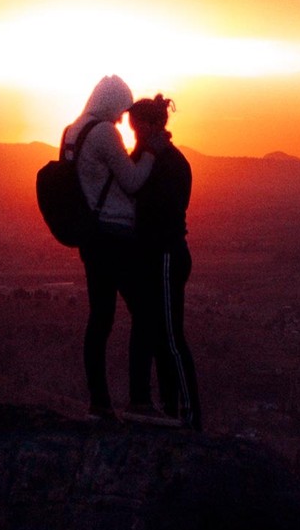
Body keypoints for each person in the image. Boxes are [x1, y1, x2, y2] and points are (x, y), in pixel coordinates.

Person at [59, 74, 156, 418]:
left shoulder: (72, 131)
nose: (121, 119)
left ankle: (99, 402)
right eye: (121, 110)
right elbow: (131, 182)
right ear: (112, 103)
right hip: (115, 235)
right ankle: (140, 400)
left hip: (91, 238)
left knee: (100, 319)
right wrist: (150, 155)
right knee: (144, 314)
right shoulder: (103, 133)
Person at [125, 93, 202, 430]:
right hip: (157, 255)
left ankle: (188, 415)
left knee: (170, 338)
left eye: (138, 128)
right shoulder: (154, 157)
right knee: (159, 335)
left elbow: (158, 212)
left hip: (167, 255)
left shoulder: (166, 161)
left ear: (153, 125)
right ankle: (173, 409)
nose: (134, 134)